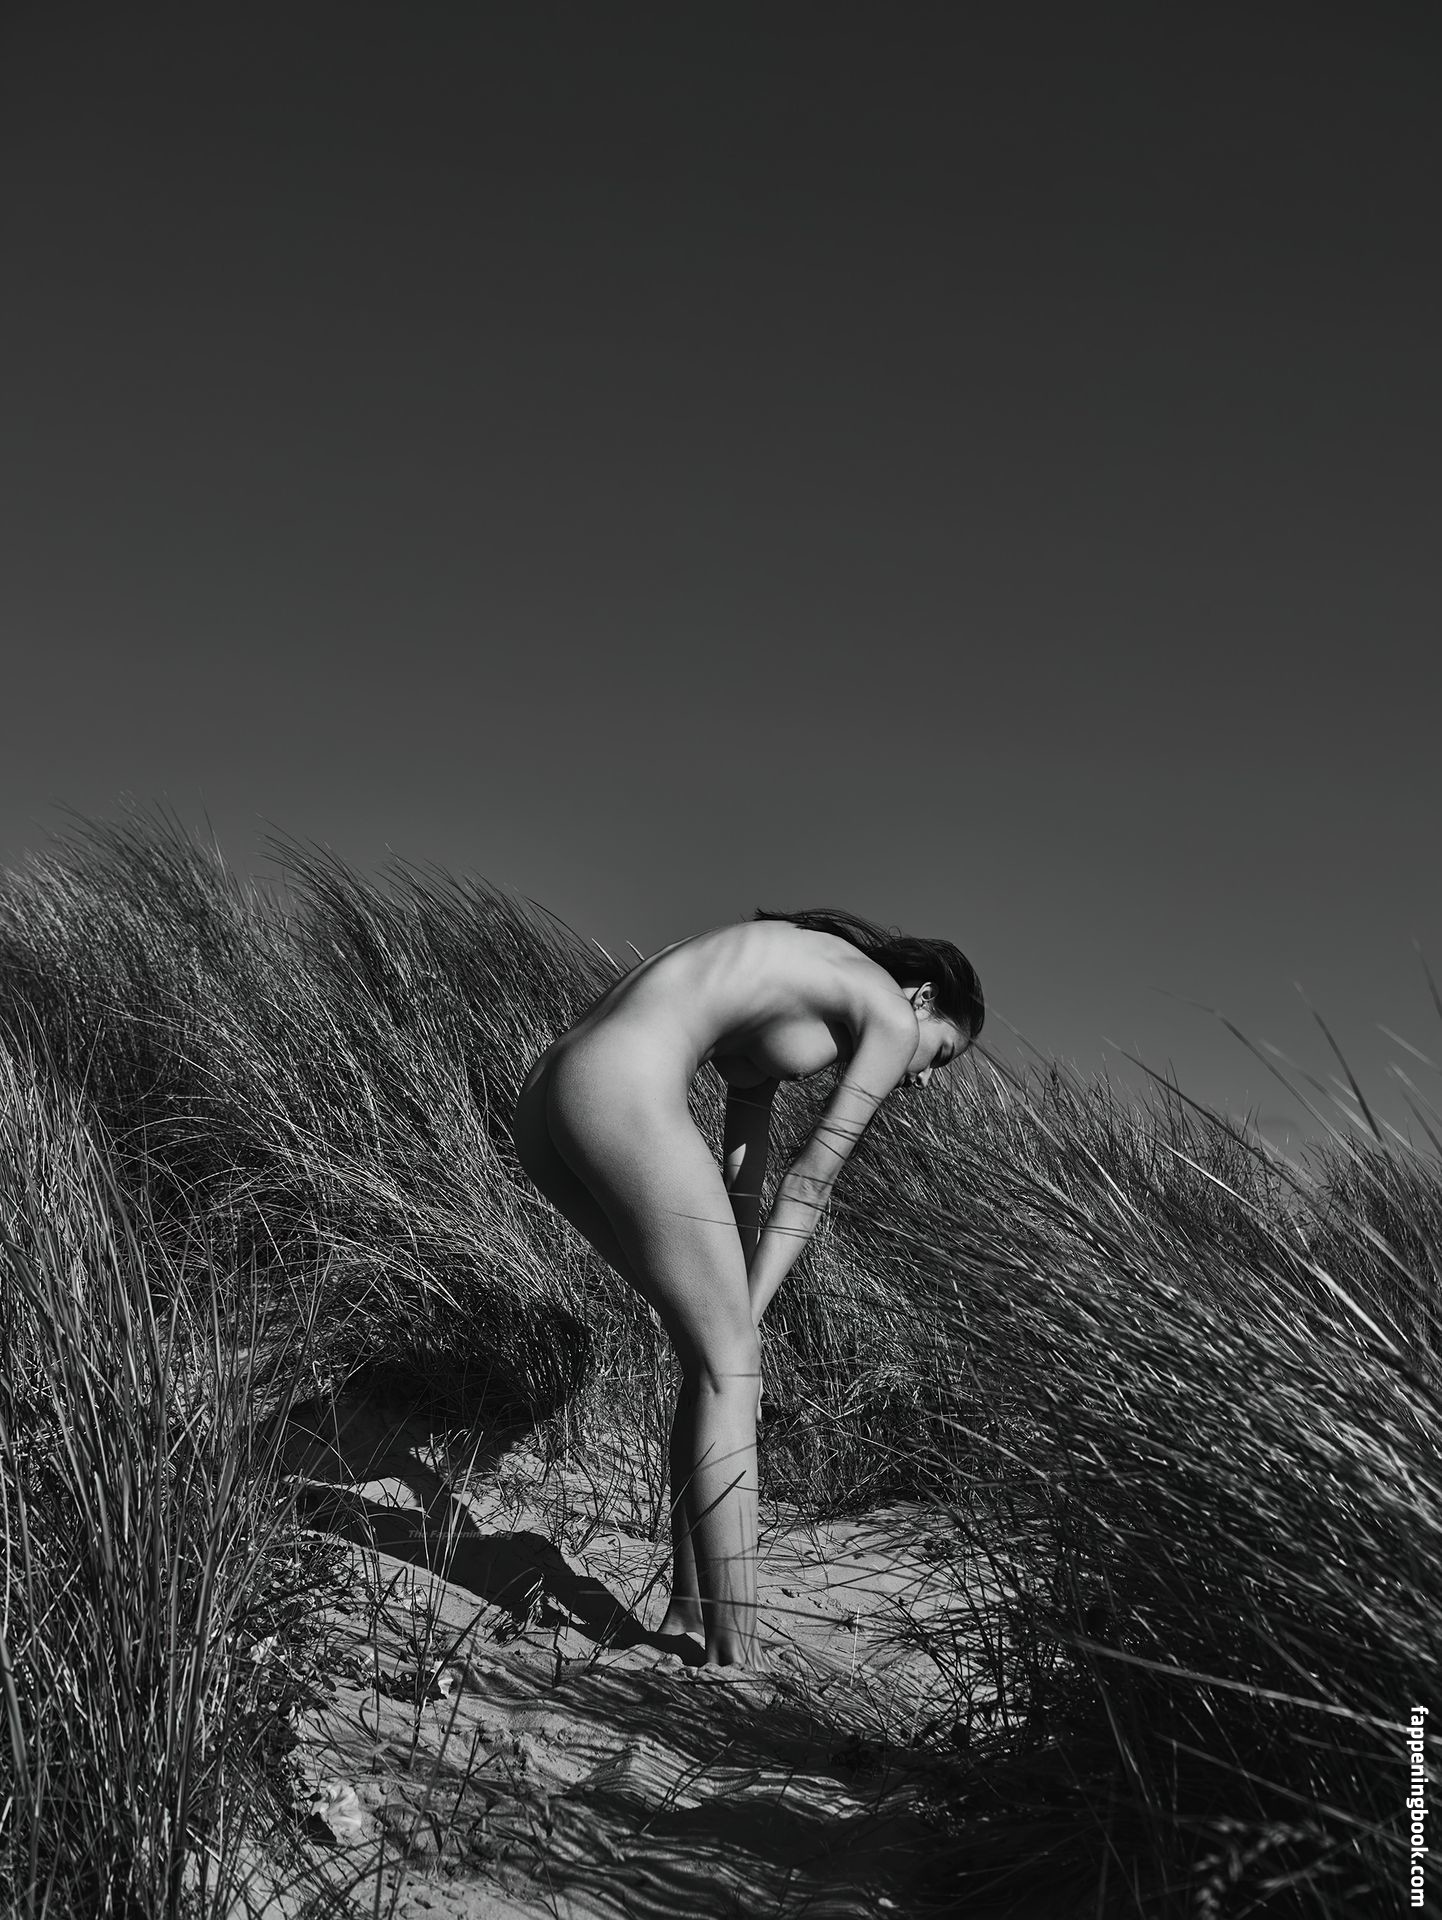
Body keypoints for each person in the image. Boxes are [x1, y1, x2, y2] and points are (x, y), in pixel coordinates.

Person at [510, 907, 983, 1670]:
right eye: (944, 1054)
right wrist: (745, 1331)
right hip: (620, 1085)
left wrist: (741, 1315)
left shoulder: (800, 970)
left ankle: (690, 1614)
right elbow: (810, 1183)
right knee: (730, 1364)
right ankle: (739, 1656)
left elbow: (745, 1179)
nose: (926, 1078)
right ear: (923, 998)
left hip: (550, 1095)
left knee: (713, 1358)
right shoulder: (892, 1015)